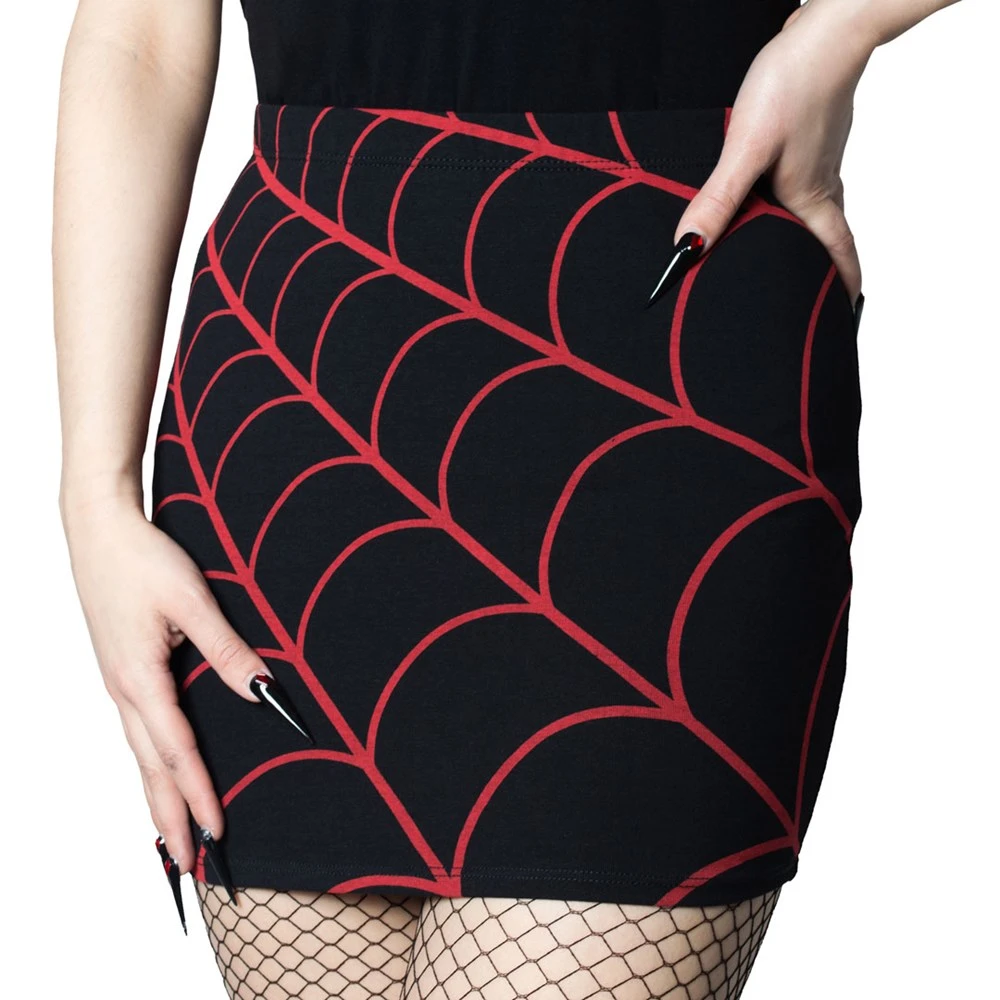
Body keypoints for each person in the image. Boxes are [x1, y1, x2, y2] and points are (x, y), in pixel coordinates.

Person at [53, 1, 960, 997]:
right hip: (292, 394)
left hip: (667, 368)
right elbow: (138, 35)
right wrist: (94, 496)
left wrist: (838, 31)